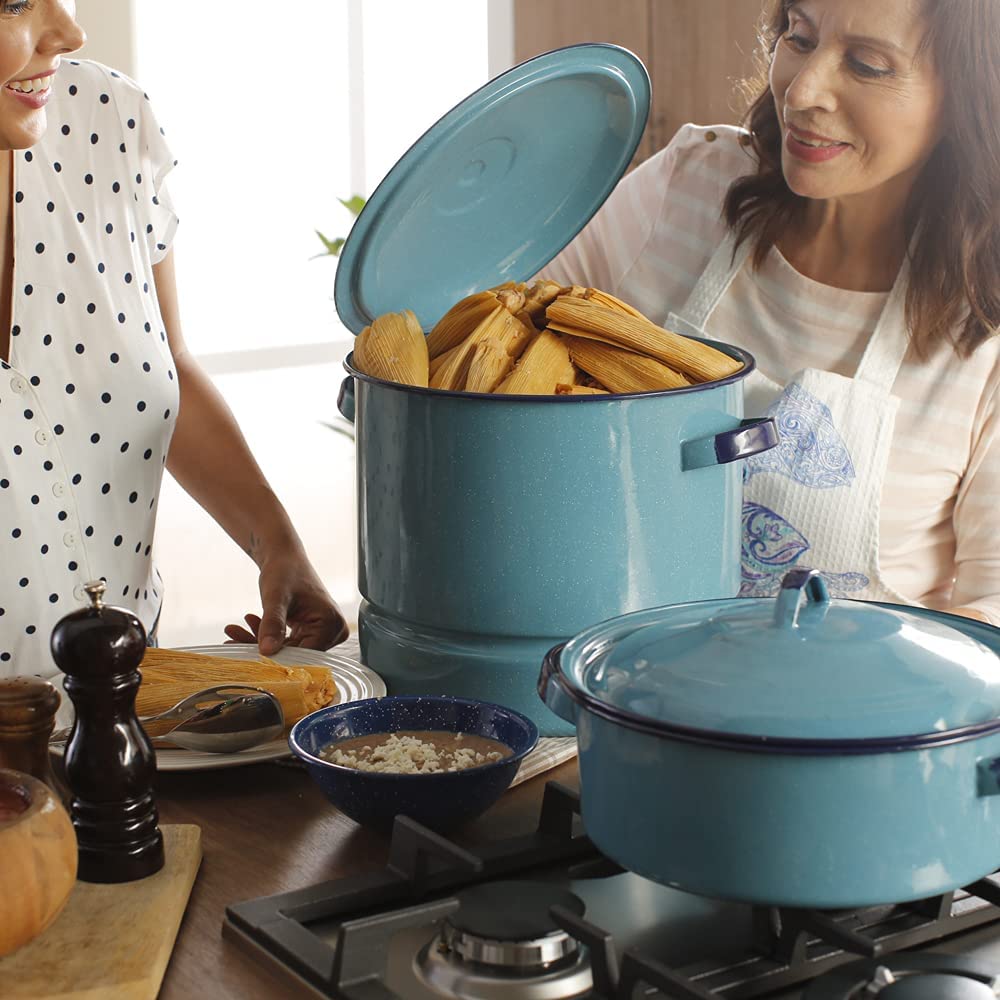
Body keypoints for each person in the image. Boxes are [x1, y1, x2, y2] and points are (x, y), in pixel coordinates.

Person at [543, 0, 1000, 623]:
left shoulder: (983, 326)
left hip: (853, 717)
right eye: (800, 36)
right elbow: (498, 345)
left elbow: (989, 632)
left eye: (866, 64)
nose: (803, 90)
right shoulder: (686, 187)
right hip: (604, 694)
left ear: (969, 95)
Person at [0, 0, 348, 677]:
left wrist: (277, 545)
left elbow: (167, 366)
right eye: (14, 2)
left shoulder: (110, 121)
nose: (70, 32)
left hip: (119, 734)